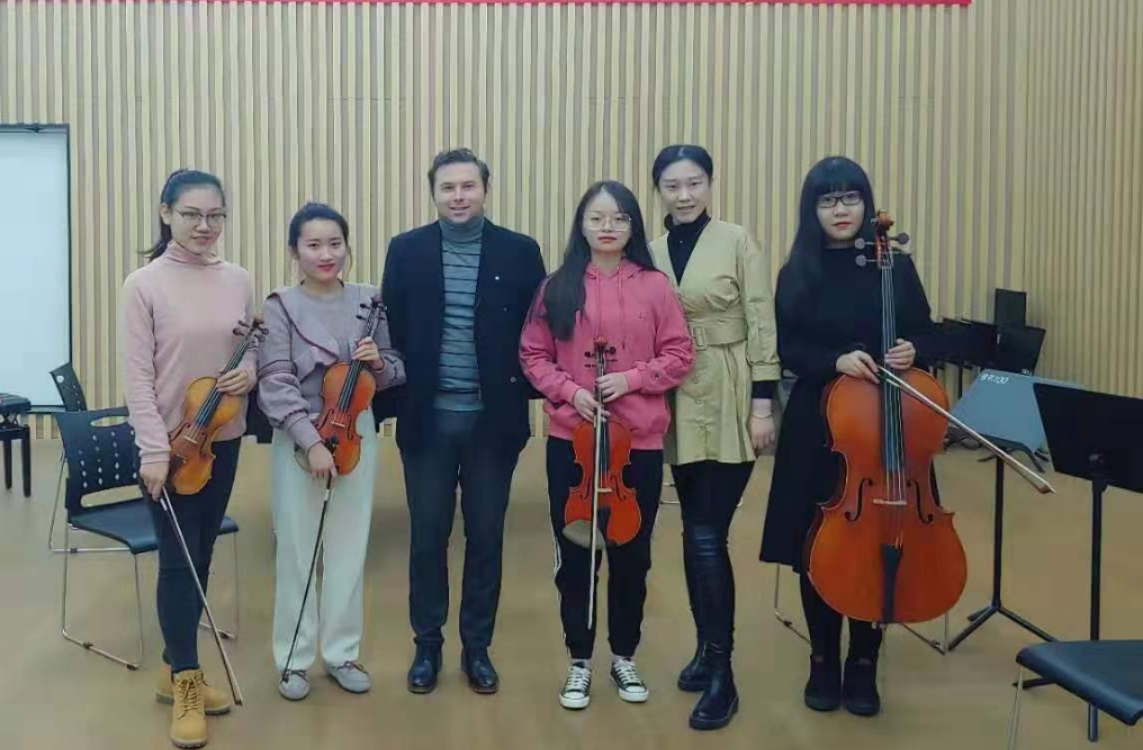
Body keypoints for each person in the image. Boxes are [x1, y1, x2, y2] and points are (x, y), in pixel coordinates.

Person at [760, 155, 941, 718]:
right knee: (817, 543)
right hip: (821, 423)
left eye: (850, 198)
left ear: (866, 203)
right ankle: (822, 658)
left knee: (880, 540)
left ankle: (864, 660)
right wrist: (834, 360)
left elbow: (929, 333)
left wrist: (914, 349)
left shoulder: (895, 266)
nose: (840, 210)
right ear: (811, 209)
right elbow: (787, 347)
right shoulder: (797, 271)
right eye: (827, 200)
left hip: (886, 426)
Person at [520, 181, 694, 711]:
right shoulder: (557, 286)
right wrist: (571, 390)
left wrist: (632, 379)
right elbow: (532, 354)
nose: (608, 227)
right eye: (597, 218)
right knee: (576, 554)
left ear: (633, 225)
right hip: (572, 441)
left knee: (632, 556)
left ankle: (624, 655)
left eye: (619, 218)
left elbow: (680, 354)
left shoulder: (655, 286)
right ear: (582, 225)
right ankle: (579, 659)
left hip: (638, 442)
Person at [379, 148, 547, 695]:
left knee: (486, 537)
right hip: (427, 421)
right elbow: (391, 331)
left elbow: (539, 332)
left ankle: (477, 648)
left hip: (492, 424)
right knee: (428, 537)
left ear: (485, 190)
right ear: (433, 193)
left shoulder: (520, 251)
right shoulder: (406, 250)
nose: (458, 196)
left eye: (468, 186)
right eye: (447, 187)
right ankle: (427, 645)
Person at [120, 169, 257, 749]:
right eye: (192, 215)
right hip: (170, 449)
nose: (205, 226)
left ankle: (171, 664)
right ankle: (186, 682)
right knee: (178, 563)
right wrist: (154, 451)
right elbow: (137, 376)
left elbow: (245, 348)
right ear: (166, 212)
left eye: (215, 215)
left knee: (200, 555)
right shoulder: (143, 285)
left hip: (222, 438)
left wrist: (249, 371)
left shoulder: (239, 279)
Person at [649, 145, 781, 731]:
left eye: (694, 183)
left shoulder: (736, 240)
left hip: (730, 387)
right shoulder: (651, 251)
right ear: (658, 190)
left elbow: (761, 320)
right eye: (672, 185)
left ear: (709, 184)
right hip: (675, 395)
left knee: (708, 532)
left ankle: (724, 673)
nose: (684, 195)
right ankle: (706, 649)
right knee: (693, 529)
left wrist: (762, 405)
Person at [257, 203, 405, 701]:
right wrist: (311, 442)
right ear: (294, 251)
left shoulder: (370, 300)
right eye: (313, 245)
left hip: (356, 430)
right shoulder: (280, 305)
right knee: (297, 548)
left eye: (335, 244)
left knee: (349, 545)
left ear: (347, 246)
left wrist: (378, 363)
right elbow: (275, 382)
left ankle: (342, 652)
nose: (326, 254)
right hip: (300, 432)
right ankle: (293, 659)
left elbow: (395, 372)